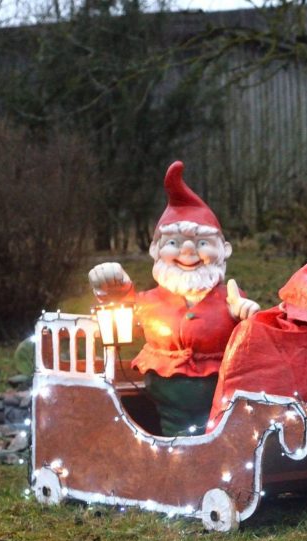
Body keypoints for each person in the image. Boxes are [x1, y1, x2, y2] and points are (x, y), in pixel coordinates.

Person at [89, 161, 259, 436]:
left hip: (221, 400)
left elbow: (249, 326)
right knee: (175, 438)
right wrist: (114, 288)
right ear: (155, 249)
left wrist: (247, 315)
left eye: (202, 243)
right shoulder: (152, 301)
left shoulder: (229, 297)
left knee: (220, 436)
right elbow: (122, 308)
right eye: (174, 243)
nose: (188, 251)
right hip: (167, 402)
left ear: (224, 250)